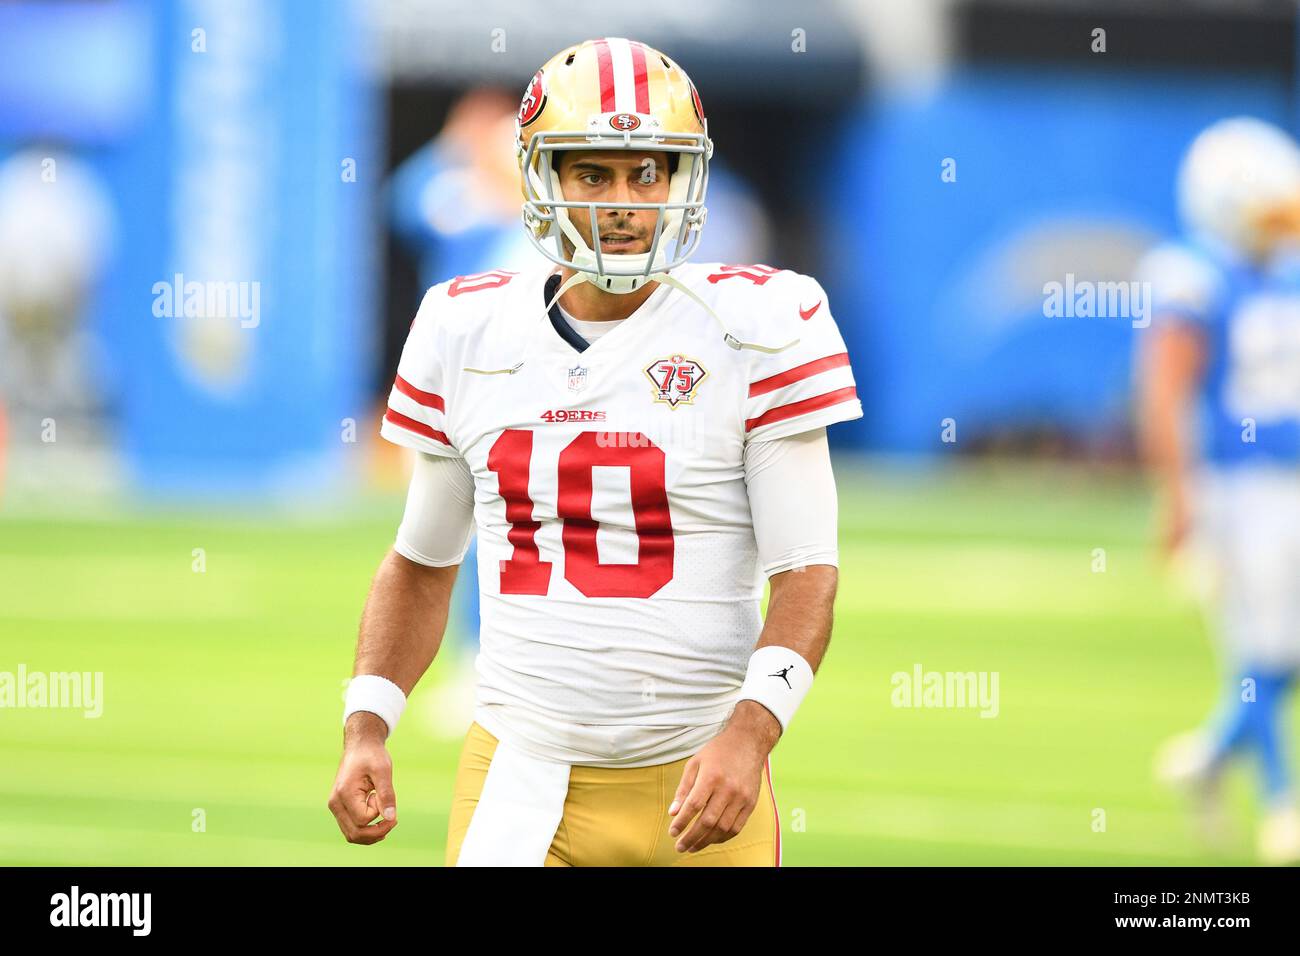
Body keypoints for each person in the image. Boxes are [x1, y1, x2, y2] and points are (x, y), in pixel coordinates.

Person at [329, 37, 861, 866]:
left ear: (686, 180)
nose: (623, 201)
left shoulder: (761, 327)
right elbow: (423, 560)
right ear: (541, 178)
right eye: (593, 173)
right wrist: (369, 721)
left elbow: (807, 571)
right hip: (520, 772)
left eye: (648, 172)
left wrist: (752, 734)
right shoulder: (465, 328)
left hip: (705, 771)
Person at [1140, 116, 1300, 865]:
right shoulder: (1192, 273)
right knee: (1258, 646)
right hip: (1240, 490)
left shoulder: (1285, 268)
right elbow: (1165, 391)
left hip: (1291, 479)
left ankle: (1209, 756)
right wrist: (1180, 498)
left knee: (1281, 653)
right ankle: (1282, 803)